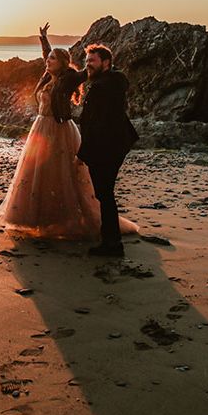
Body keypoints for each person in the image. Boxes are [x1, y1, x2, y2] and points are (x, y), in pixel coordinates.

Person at [0, 23, 138, 243]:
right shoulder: (46, 75)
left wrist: (104, 65)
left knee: (64, 176)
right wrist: (43, 38)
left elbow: (88, 73)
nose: (47, 60)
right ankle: (40, 220)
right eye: (47, 58)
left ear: (61, 63)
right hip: (40, 127)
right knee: (38, 175)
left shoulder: (69, 77)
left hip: (59, 129)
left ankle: (77, 222)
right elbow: (48, 55)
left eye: (52, 59)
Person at [77, 43, 140, 257]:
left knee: (104, 193)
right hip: (114, 143)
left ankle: (112, 243)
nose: (88, 65)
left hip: (105, 146)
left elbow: (95, 123)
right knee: (105, 194)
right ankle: (111, 240)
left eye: (92, 61)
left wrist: (82, 153)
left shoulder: (102, 86)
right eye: (86, 61)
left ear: (105, 62)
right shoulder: (112, 81)